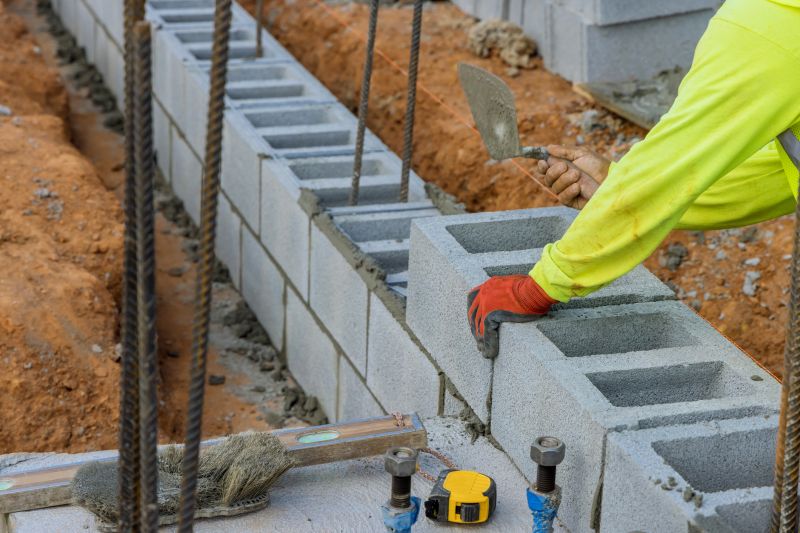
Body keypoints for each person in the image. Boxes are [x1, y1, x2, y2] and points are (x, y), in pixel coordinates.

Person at [467, 0, 800, 358]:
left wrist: (541, 286)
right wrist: (618, 184)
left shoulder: (771, 26)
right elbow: (779, 174)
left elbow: (672, 163)